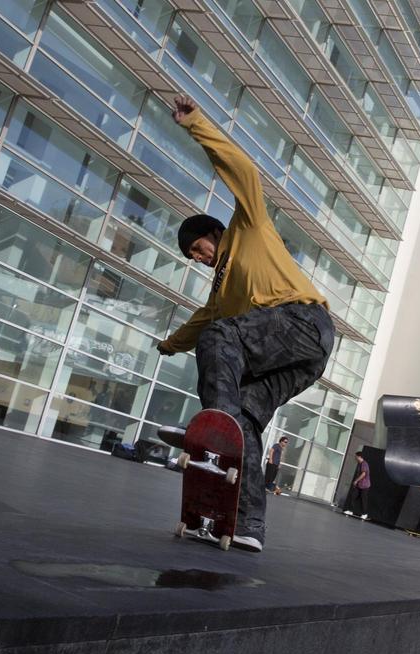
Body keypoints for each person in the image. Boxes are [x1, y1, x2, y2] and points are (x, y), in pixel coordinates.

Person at [155, 96, 335, 553]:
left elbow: (243, 171)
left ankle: (214, 422)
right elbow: (202, 319)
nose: (199, 259)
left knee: (222, 337)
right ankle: (247, 524)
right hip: (301, 359)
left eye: (199, 248)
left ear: (214, 233)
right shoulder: (220, 295)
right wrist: (170, 345)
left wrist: (195, 124)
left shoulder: (247, 226)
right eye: (193, 258)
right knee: (247, 421)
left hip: (303, 321)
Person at [342, 450, 372, 519]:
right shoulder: (360, 464)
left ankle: (365, 514)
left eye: (356, 457)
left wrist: (356, 481)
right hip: (359, 485)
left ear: (359, 457)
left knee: (363, 500)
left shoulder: (364, 464)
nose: (355, 458)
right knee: (353, 496)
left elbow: (363, 474)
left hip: (364, 486)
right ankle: (350, 510)